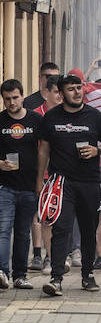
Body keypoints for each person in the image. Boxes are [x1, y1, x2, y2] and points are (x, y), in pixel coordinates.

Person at [34, 74, 101, 296]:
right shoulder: (51, 117)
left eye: (79, 88)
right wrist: (40, 180)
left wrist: (97, 150)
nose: (77, 92)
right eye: (71, 89)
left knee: (88, 230)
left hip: (89, 181)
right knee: (61, 229)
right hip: (62, 182)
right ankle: (56, 278)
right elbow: (44, 150)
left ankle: (88, 275)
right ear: (61, 94)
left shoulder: (93, 115)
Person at [1, 79, 40, 290]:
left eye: (15, 97)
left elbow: (46, 149)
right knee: (3, 230)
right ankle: (2, 273)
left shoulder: (36, 120)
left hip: (29, 186)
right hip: (5, 186)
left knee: (24, 232)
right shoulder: (0, 121)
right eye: (7, 99)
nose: (11, 102)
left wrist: (41, 179)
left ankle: (19, 275)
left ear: (23, 96)